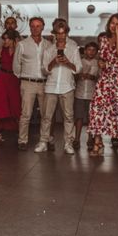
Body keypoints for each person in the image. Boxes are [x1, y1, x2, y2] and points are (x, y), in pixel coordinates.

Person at [34, 19, 81, 154]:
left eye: (63, 33)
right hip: (51, 87)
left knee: (69, 117)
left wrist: (67, 62)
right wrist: (54, 61)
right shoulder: (49, 49)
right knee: (46, 117)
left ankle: (68, 143)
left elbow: (78, 68)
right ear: (54, 34)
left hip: (67, 86)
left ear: (67, 33)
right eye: (58, 33)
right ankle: (43, 142)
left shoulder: (73, 47)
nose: (60, 36)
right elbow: (44, 70)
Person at [88, 13, 118, 157]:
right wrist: (101, 63)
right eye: (112, 23)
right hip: (105, 80)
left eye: (117, 23)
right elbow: (102, 58)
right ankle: (98, 142)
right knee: (98, 109)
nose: (113, 26)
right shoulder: (104, 40)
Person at [13, 17, 52, 151]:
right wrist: (23, 78)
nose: (35, 28)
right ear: (29, 27)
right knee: (26, 114)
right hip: (27, 83)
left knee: (46, 114)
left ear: (43, 27)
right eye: (33, 26)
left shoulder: (48, 45)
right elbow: (16, 66)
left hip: (45, 83)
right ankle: (22, 140)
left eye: (38, 26)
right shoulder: (22, 44)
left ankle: (45, 140)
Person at [0, 29, 21, 143]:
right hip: (2, 77)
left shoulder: (19, 49)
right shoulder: (2, 49)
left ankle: (22, 135)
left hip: (14, 79)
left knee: (16, 106)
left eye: (6, 39)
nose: (4, 41)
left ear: (13, 40)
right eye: (4, 38)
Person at [73, 42, 99, 150]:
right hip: (79, 94)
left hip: (92, 94)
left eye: (94, 50)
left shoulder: (98, 63)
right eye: (89, 50)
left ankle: (90, 139)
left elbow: (99, 78)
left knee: (90, 118)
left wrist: (91, 77)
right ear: (84, 51)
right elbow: (74, 76)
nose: (91, 52)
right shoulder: (79, 62)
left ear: (97, 52)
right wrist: (79, 76)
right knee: (79, 117)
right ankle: (77, 139)